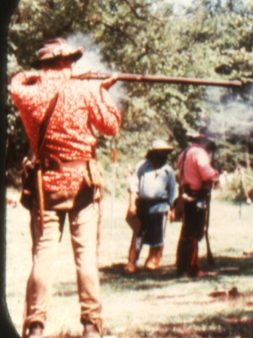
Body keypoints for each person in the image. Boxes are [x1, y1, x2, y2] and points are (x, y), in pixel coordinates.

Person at [9, 38, 121, 338]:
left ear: (43, 65)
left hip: (45, 186)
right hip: (83, 183)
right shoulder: (85, 89)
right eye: (70, 60)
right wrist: (101, 91)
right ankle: (91, 326)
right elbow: (112, 125)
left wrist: (40, 76)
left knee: (42, 256)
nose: (73, 65)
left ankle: (35, 326)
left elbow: (15, 82)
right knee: (85, 257)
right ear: (63, 61)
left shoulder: (27, 93)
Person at [125, 139, 176, 273]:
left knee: (158, 236)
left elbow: (172, 190)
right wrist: (132, 204)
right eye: (159, 153)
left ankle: (153, 260)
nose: (162, 156)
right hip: (142, 205)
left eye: (164, 153)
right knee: (139, 235)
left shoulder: (168, 170)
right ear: (152, 153)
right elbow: (133, 185)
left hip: (160, 206)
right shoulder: (142, 166)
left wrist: (171, 209)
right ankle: (132, 262)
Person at [176, 134, 219, 277]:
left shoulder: (184, 153)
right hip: (196, 196)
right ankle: (191, 268)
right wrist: (216, 174)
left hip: (186, 195)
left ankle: (182, 266)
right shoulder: (199, 154)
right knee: (194, 233)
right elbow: (207, 174)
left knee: (186, 232)